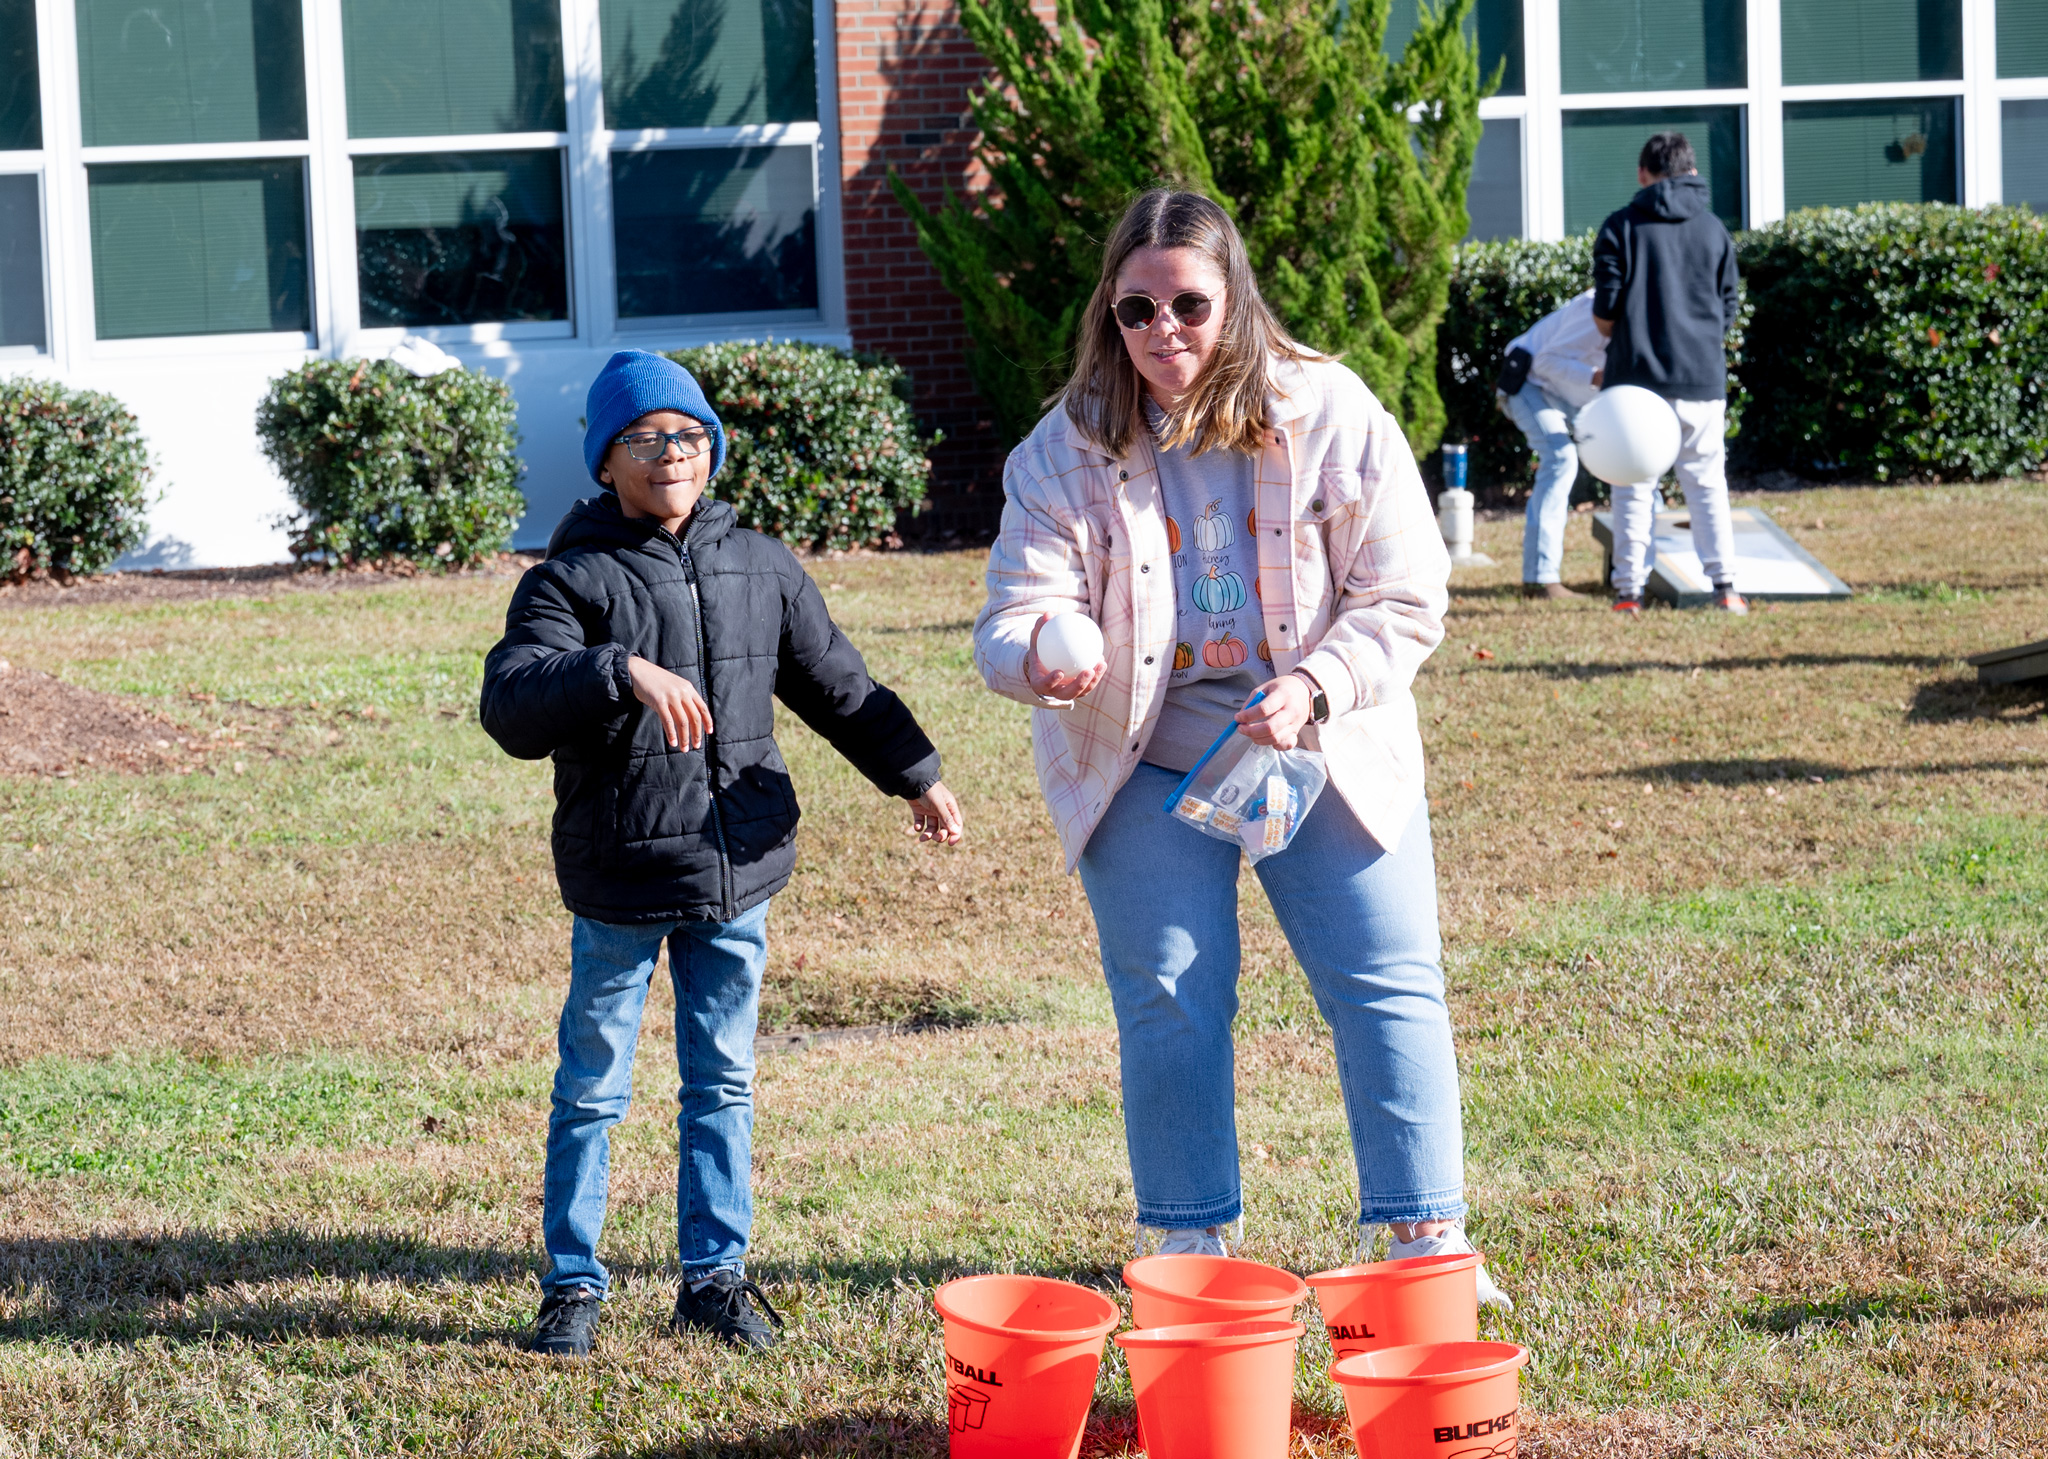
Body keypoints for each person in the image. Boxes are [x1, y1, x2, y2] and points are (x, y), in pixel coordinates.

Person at [973, 187, 1509, 1307]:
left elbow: (1406, 596)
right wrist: (1040, 655)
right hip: (1144, 756)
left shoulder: (1331, 410)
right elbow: (1010, 615)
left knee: (1385, 980)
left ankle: (1425, 1239)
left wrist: (1315, 684)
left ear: (1236, 299)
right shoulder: (1063, 445)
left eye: (1188, 304)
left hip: (1318, 743)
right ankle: (1186, 1243)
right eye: (1135, 309)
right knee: (1168, 992)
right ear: (1106, 314)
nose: (1162, 332)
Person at [482, 350, 963, 1356]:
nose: (670, 453)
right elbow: (511, 704)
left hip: (736, 869)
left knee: (723, 1081)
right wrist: (616, 668)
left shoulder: (763, 565)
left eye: (689, 434)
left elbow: (838, 686)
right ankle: (571, 1286)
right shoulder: (569, 579)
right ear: (605, 462)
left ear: (715, 450)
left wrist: (915, 773)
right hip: (619, 874)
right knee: (592, 1088)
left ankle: (713, 1278)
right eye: (644, 438)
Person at [1593, 130, 1745, 615]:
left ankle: (1629, 594)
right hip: (1701, 378)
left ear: (1643, 174)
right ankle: (1727, 589)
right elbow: (1728, 308)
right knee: (1706, 485)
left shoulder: (1620, 227)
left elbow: (1605, 314)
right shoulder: (1715, 229)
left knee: (1633, 488)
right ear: (1691, 171)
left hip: (1635, 384)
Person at [1495, 287, 1607, 600]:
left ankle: (1638, 570)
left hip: (1569, 391)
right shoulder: (1598, 309)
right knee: (1561, 459)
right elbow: (1544, 361)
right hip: (1528, 381)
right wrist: (1598, 377)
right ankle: (1540, 580)